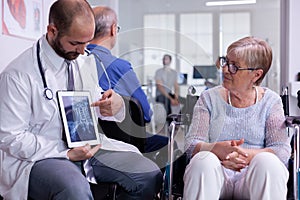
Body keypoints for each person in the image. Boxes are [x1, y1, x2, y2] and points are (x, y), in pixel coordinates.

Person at [0, 1, 162, 200]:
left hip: (87, 148)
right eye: (75, 43)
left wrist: (115, 105)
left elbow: (96, 105)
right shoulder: (18, 75)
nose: (82, 50)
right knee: (74, 188)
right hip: (41, 156)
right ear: (52, 31)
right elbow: (11, 137)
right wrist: (65, 153)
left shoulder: (83, 60)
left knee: (147, 174)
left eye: (87, 42)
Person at [183, 36, 291, 200]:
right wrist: (216, 150)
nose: (225, 69)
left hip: (252, 177)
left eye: (234, 66)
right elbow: (191, 145)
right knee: (202, 160)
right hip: (216, 175)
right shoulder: (208, 98)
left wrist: (246, 155)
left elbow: (281, 150)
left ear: (256, 74)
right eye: (226, 61)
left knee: (269, 162)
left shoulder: (271, 101)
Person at [86, 6, 176, 169]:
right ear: (113, 29)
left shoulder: (76, 63)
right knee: (170, 144)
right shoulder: (120, 67)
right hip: (124, 143)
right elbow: (146, 114)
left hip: (86, 142)